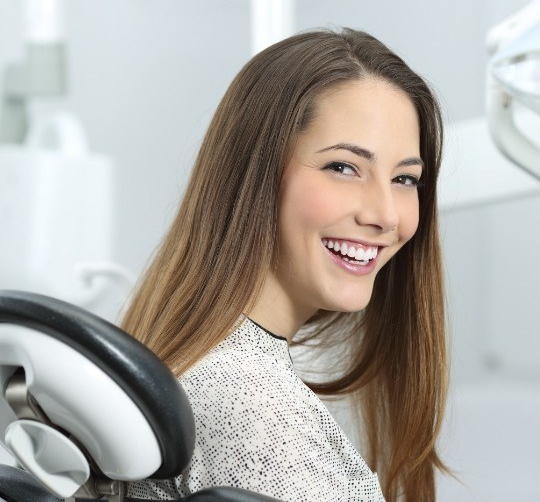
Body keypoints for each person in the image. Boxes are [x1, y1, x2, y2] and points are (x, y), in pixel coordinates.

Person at [124, 27, 448, 502]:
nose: (384, 215)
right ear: (255, 175)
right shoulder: (250, 403)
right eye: (343, 167)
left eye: (404, 178)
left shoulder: (212, 366)